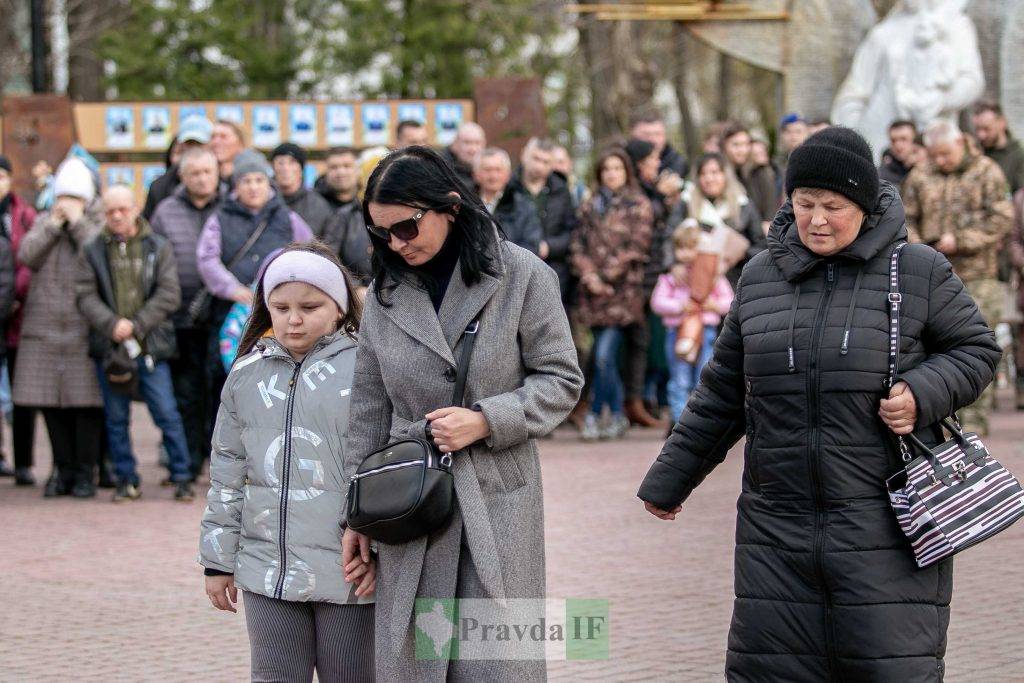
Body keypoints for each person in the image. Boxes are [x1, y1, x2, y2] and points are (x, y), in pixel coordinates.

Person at [638, 126, 1001, 681]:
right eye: (804, 204)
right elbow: (722, 393)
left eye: (832, 206)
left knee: (888, 669)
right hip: (775, 530)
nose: (817, 220)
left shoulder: (918, 269)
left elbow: (975, 349)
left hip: (883, 527)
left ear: (864, 204)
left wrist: (921, 393)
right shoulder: (759, 276)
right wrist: (670, 480)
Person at [344, 146, 582, 680]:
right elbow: (366, 407)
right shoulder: (383, 293)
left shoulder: (523, 275)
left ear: (449, 206)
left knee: (494, 657)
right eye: (381, 232)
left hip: (497, 495)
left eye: (406, 227)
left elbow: (562, 380)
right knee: (418, 658)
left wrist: (487, 419)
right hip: (408, 498)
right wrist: (355, 513)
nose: (395, 244)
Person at [200, 242, 374, 682]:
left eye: (309, 306)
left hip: (348, 572)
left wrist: (383, 551)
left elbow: (384, 471)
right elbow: (227, 472)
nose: (293, 319)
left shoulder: (368, 370)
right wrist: (218, 561)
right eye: (280, 307)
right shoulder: (245, 375)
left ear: (339, 307)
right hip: (267, 572)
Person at [75, 185, 193, 502]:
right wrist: (112, 325)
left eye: (122, 209)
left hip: (151, 343)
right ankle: (127, 479)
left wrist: (136, 324)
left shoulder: (158, 246)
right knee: (116, 418)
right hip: (111, 347)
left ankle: (182, 476)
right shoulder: (92, 249)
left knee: (167, 412)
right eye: (110, 211)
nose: (116, 216)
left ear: (135, 208)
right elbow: (84, 295)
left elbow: (170, 294)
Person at [197, 148, 314, 455]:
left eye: (259, 179)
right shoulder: (220, 218)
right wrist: (232, 288)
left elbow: (310, 253)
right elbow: (207, 258)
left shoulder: (287, 218)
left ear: (269, 183)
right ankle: (223, 450)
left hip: (281, 316)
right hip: (230, 314)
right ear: (236, 185)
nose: (253, 186)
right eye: (246, 180)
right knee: (225, 384)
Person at [902, 119, 1014, 435]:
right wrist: (918, 243)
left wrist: (961, 239)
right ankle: (944, 421)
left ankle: (975, 423)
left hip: (978, 274)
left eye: (946, 154)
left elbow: (1002, 218)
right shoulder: (920, 175)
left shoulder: (987, 171)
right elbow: (904, 215)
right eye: (934, 155)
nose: (940, 161)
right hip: (931, 275)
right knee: (935, 348)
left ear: (961, 143)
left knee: (975, 347)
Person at [14, 158, 104, 498]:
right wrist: (53, 225)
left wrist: (79, 222)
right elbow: (27, 254)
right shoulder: (44, 221)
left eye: (74, 196)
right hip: (46, 326)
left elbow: (98, 254)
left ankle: (85, 471)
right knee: (50, 402)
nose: (67, 203)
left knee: (85, 404)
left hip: (83, 326)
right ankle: (60, 469)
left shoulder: (96, 223)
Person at [571, 148, 654, 441]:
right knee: (599, 355)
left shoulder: (639, 204)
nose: (611, 174)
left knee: (604, 356)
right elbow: (577, 245)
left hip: (623, 295)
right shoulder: (589, 205)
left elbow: (637, 247)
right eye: (606, 169)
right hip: (593, 295)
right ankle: (617, 415)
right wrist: (591, 276)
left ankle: (595, 414)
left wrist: (606, 276)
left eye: (617, 169)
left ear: (626, 172)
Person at [150, 147, 222, 482]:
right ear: (183, 176)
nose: (202, 179)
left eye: (208, 171)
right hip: (179, 317)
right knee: (185, 394)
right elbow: (154, 260)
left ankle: (217, 462)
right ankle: (187, 460)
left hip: (221, 316)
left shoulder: (229, 207)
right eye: (195, 173)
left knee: (219, 392)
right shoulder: (165, 211)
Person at [650, 223, 733, 422]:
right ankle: (679, 421)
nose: (685, 253)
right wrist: (679, 306)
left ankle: (700, 422)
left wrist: (713, 305)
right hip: (677, 332)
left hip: (706, 332)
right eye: (681, 248)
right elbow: (657, 302)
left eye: (690, 247)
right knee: (679, 378)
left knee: (703, 377)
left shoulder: (713, 277)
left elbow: (730, 301)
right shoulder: (672, 277)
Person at [673, 152, 767, 287]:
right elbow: (670, 235)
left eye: (715, 172)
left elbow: (760, 245)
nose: (709, 179)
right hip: (695, 281)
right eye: (703, 174)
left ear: (725, 175)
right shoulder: (686, 203)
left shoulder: (743, 204)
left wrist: (739, 254)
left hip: (737, 279)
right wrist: (674, 265)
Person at [0, 155, 37, 485]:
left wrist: (15, 296)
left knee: (22, 393)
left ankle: (24, 461)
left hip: (18, 317)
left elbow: (29, 260)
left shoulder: (24, 216)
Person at [509, 137, 578, 303]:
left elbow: (573, 231)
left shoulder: (561, 190)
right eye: (536, 158)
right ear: (524, 155)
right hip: (516, 269)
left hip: (554, 270)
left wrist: (550, 246)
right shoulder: (509, 187)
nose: (539, 166)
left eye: (546, 162)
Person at [142, 115, 214, 220]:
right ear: (180, 145)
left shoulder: (226, 182)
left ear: (211, 144)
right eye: (189, 143)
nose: (193, 149)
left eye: (199, 143)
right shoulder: (160, 187)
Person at [473, 147, 541, 253]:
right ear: (476, 174)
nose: (493, 176)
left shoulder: (524, 207)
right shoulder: (466, 205)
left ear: (508, 175)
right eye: (487, 170)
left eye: (498, 170)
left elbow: (531, 246)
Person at [721, 122, 778, 229]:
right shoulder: (720, 174)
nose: (742, 150)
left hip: (760, 232)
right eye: (736, 145)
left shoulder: (761, 172)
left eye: (746, 144)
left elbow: (770, 211)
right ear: (725, 146)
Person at [271, 143, 333, 239]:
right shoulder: (262, 201)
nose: (285, 168)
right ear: (273, 168)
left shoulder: (317, 205)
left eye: (292, 162)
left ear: (301, 168)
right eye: (280, 162)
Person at [972, 100, 1024, 194]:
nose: (981, 135)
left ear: (1002, 122)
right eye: (977, 129)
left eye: (986, 129)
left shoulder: (1018, 156)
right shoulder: (975, 154)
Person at [629, 108, 689, 178]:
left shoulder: (676, 161)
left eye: (657, 134)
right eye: (646, 134)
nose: (653, 140)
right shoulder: (622, 159)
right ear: (633, 134)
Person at [441, 121, 486, 189]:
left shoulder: (489, 163)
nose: (473, 149)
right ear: (455, 144)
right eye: (467, 143)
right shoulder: (442, 165)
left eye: (477, 143)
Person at [315, 147, 360, 211]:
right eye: (334, 167)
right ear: (326, 171)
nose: (341, 172)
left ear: (357, 170)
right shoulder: (312, 204)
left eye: (347, 166)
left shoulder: (371, 202)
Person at [878, 120, 919, 186]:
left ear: (915, 140)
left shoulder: (930, 167)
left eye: (903, 139)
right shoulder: (883, 175)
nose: (898, 145)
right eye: (893, 141)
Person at [551, 144, 588, 208]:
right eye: (552, 163)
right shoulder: (544, 189)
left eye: (560, 162)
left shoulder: (580, 190)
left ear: (570, 163)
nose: (556, 167)